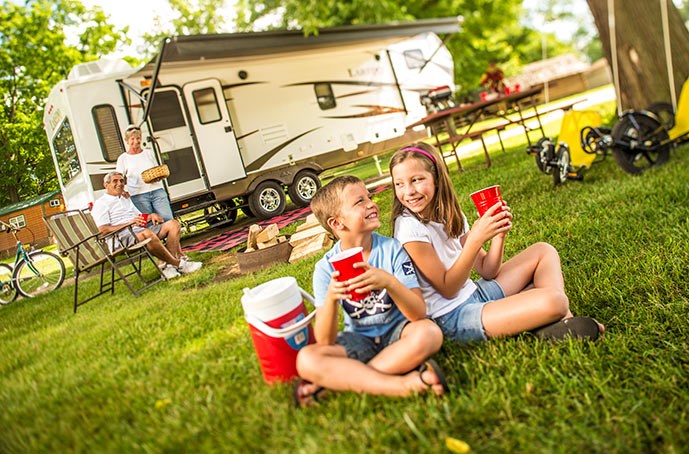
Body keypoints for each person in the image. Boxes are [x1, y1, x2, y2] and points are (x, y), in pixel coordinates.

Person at [389, 142, 604, 343]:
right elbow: (448, 288)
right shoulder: (408, 227)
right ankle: (558, 317)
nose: (408, 191)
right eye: (399, 184)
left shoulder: (449, 214)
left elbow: (488, 270)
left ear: (437, 178)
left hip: (476, 293)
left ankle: (550, 321)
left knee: (543, 251)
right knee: (555, 301)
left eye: (416, 180)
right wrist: (475, 240)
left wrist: (498, 235)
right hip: (453, 316)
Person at [294, 175, 449, 407]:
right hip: (359, 338)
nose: (371, 204)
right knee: (307, 359)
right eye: (360, 202)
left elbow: (418, 313)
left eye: (369, 197)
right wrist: (332, 299)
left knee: (429, 333)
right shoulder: (325, 268)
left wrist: (389, 282)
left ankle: (342, 381)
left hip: (399, 333)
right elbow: (325, 340)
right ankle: (403, 385)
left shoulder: (392, 249)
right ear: (337, 223)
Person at [91, 171, 202, 279]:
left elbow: (139, 217)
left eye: (121, 181)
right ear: (106, 185)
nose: (120, 183)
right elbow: (103, 231)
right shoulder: (101, 203)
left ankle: (167, 267)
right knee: (147, 233)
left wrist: (151, 216)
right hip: (121, 238)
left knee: (173, 224)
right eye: (115, 181)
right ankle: (179, 264)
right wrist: (129, 224)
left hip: (139, 231)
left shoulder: (125, 198)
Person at [116, 125, 174, 222]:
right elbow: (119, 177)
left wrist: (157, 177)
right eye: (132, 139)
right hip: (138, 195)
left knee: (168, 220)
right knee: (148, 223)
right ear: (126, 141)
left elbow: (156, 169)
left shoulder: (148, 153)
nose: (136, 141)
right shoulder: (123, 158)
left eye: (138, 138)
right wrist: (123, 191)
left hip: (157, 191)